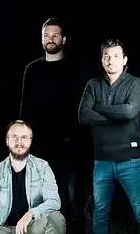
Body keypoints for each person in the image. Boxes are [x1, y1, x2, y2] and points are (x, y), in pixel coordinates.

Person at [78, 38, 140, 234]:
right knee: (100, 212)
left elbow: (129, 113)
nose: (110, 60)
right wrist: (116, 114)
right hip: (101, 160)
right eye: (106, 56)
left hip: (131, 160)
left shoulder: (137, 84)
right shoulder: (93, 85)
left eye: (115, 56)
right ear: (102, 59)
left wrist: (100, 109)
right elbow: (83, 116)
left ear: (124, 60)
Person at [19, 17, 91, 222]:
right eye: (46, 35)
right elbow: (25, 110)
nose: (50, 39)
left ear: (64, 39)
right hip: (41, 146)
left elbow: (85, 108)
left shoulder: (77, 69)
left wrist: (79, 138)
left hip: (71, 145)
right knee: (41, 197)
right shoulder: (32, 70)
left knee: (72, 196)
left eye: (55, 35)